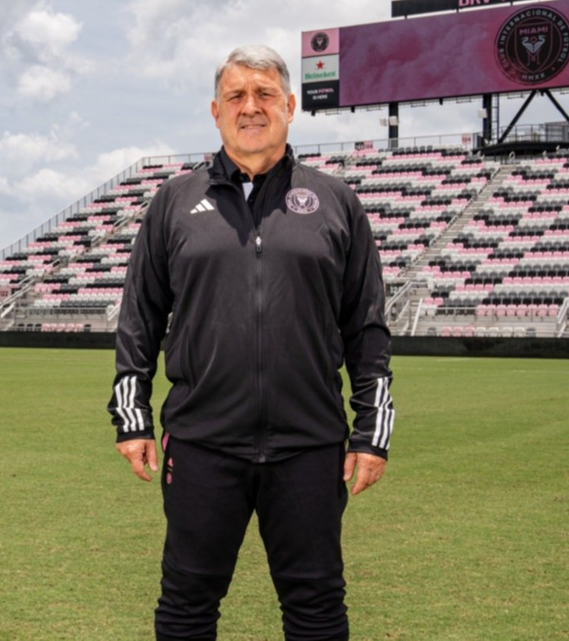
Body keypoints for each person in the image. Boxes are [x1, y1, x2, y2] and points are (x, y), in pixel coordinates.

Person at [108, 44, 394, 641]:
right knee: (186, 605)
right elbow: (139, 319)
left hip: (309, 444)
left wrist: (372, 433)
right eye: (236, 96)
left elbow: (366, 328)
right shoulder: (173, 203)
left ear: (290, 105)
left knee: (317, 608)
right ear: (216, 112)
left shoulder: (336, 202)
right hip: (202, 442)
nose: (251, 107)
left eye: (264, 94)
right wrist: (132, 420)